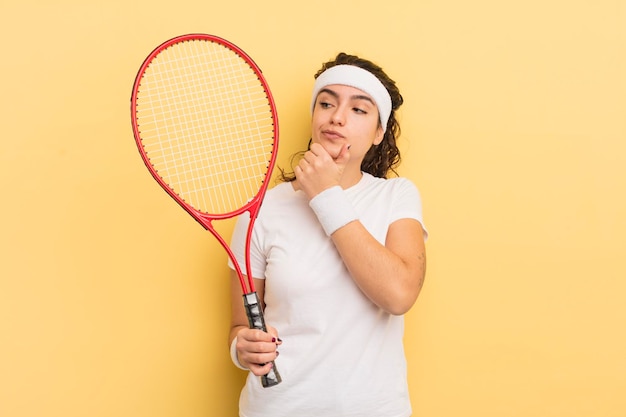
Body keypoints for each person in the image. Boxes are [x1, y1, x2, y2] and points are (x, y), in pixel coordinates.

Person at [227, 52, 427, 417]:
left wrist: (325, 196)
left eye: (359, 109)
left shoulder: (396, 197)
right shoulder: (262, 211)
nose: (337, 116)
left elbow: (398, 295)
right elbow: (241, 326)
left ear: (379, 132)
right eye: (327, 103)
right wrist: (242, 348)